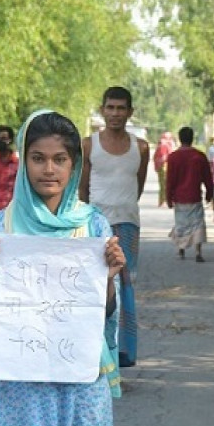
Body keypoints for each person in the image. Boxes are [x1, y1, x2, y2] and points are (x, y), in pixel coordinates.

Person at [0, 109, 126, 426]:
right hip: (20, 386)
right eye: (38, 158)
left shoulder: (93, 225)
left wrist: (110, 277)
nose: (49, 169)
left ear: (75, 163)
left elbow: (105, 312)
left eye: (60, 158)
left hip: (81, 383)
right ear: (24, 160)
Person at [79, 86, 149, 368]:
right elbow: (82, 189)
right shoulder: (89, 145)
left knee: (126, 284)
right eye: (110, 108)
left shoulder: (141, 147)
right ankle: (95, 352)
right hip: (96, 224)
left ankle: (123, 353)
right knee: (97, 285)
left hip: (128, 224)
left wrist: (124, 209)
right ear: (102, 109)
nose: (115, 114)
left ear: (130, 112)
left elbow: (139, 185)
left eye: (121, 108)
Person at [165, 126, 214, 262]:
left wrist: (168, 197)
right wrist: (209, 193)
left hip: (180, 198)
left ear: (180, 139)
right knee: (197, 224)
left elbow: (170, 180)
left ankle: (181, 250)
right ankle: (198, 252)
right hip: (194, 196)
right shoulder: (199, 156)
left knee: (181, 224)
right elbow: (208, 178)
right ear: (192, 138)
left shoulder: (173, 157)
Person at [153, 131, 175, 207]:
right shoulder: (164, 145)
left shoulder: (163, 145)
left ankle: (162, 201)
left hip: (163, 166)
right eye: (169, 138)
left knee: (163, 184)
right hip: (164, 166)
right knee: (165, 184)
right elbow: (164, 157)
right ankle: (163, 201)